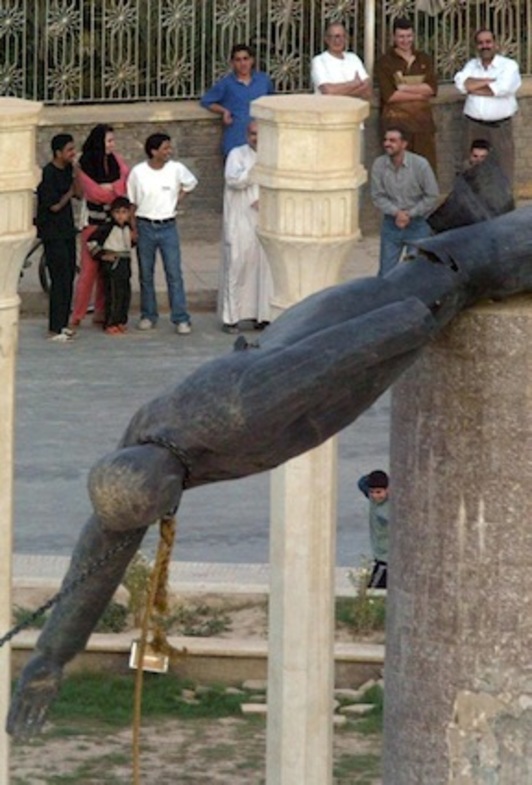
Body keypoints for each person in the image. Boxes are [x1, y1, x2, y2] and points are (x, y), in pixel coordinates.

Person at [8, 205, 532, 738]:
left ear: (165, 493)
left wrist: (427, 314)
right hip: (359, 320)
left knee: (497, 254)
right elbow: (98, 559)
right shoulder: (144, 452)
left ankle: (478, 234)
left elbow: (342, 351)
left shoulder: (236, 410)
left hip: (424, 288)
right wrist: (51, 656)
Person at [127, 133, 198, 335]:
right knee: (146, 274)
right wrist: (133, 229)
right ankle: (148, 314)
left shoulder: (176, 169)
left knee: (174, 273)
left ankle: (181, 317)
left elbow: (190, 183)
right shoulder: (138, 172)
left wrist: (177, 199)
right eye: (165, 148)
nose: (169, 151)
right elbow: (132, 203)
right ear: (153, 151)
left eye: (169, 148)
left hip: (168, 225)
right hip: (145, 225)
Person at [70, 124, 129, 328]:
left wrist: (112, 188)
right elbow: (95, 193)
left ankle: (102, 313)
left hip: (112, 226)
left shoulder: (116, 160)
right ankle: (77, 315)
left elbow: (124, 183)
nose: (113, 145)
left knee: (107, 272)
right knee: (88, 272)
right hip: (93, 226)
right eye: (109, 141)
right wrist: (111, 190)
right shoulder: (84, 164)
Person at [219, 121, 273, 334]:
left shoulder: (274, 155)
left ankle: (263, 316)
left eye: (260, 134)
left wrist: (268, 202)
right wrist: (255, 170)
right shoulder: (237, 154)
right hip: (239, 219)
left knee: (265, 267)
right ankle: (231, 317)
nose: (256, 138)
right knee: (237, 264)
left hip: (266, 219)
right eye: (252, 134)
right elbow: (235, 180)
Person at [454, 29, 521, 187]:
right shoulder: (471, 65)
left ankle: (504, 210)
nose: (485, 46)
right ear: (476, 46)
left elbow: (502, 89)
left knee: (503, 170)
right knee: (470, 169)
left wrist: (473, 87)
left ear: (495, 44)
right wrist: (490, 81)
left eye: (488, 42)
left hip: (500, 127)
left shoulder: (508, 65)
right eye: (481, 43)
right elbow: (461, 85)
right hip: (473, 126)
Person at [371, 126, 439, 276]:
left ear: (404, 144)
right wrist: (397, 213)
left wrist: (409, 214)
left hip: (418, 223)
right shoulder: (379, 165)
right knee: (386, 272)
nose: (387, 144)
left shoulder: (420, 165)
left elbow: (432, 195)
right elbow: (377, 195)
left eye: (393, 140)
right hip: (391, 223)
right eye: (386, 140)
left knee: (415, 273)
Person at [375, 17, 438, 173]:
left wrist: (403, 89)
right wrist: (419, 93)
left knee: (425, 168)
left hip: (423, 124)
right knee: (398, 169)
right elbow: (390, 96)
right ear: (394, 38)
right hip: (396, 125)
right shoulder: (384, 62)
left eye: (409, 36)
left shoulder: (424, 59)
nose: (405, 40)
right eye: (401, 37)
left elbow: (432, 89)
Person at [36, 134, 82, 343]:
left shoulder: (69, 171)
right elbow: (53, 205)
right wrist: (69, 192)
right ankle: (54, 326)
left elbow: (79, 194)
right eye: (69, 150)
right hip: (52, 232)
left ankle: (64, 323)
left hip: (66, 230)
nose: (72, 153)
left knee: (68, 275)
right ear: (58, 152)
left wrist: (78, 174)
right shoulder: (49, 173)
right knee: (59, 277)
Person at [200, 43, 274, 158]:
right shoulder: (226, 84)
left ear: (252, 60)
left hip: (260, 139)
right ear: (232, 63)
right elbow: (206, 101)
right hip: (236, 139)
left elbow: (272, 101)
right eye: (238, 60)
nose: (242, 63)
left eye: (245, 59)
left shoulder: (263, 80)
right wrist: (224, 111)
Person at [87, 196, 134, 335]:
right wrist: (102, 255)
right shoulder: (107, 228)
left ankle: (120, 320)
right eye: (117, 212)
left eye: (124, 212)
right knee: (113, 293)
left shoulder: (128, 228)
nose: (120, 216)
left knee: (125, 293)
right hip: (112, 264)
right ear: (112, 213)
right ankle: (110, 322)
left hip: (125, 262)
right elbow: (91, 242)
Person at [311, 22, 371, 99]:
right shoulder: (319, 61)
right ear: (326, 39)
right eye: (335, 36)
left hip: (354, 109)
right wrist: (354, 84)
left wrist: (339, 91)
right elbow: (328, 91)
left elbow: (367, 91)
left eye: (342, 36)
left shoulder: (354, 58)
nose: (338, 40)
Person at [358, 471, 389, 589]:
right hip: (380, 557)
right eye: (372, 492)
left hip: (385, 560)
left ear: (388, 489)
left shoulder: (390, 508)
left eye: (379, 492)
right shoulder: (372, 498)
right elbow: (361, 483)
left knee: (373, 591)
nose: (375, 496)